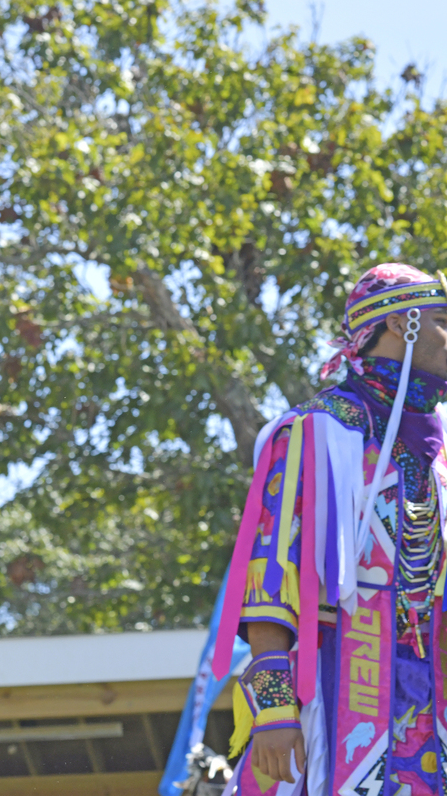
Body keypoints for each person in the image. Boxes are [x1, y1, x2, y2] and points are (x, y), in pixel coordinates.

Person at [210, 263, 447, 795]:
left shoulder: (442, 449)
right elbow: (270, 573)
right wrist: (274, 710)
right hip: (345, 690)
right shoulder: (316, 432)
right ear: (399, 326)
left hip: (435, 701)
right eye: (441, 320)